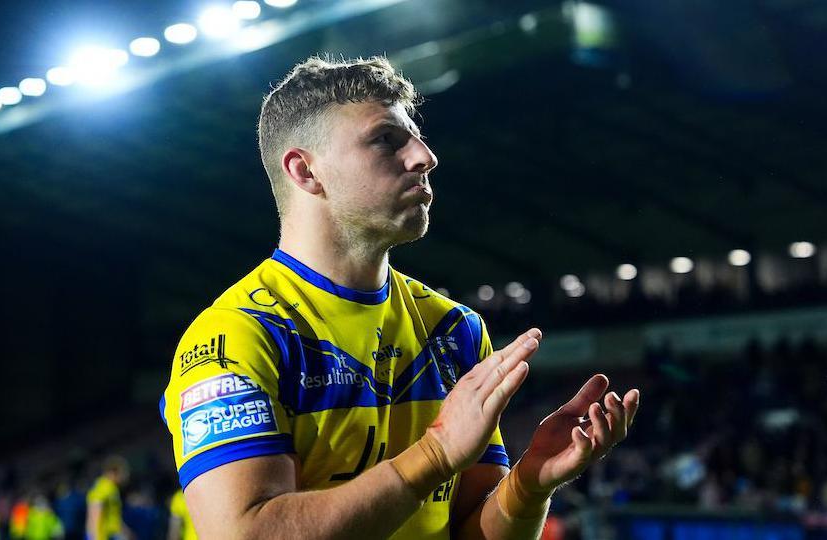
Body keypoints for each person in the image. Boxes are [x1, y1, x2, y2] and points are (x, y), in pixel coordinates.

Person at [159, 56, 640, 539]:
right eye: (386, 139)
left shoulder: (454, 330)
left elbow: (471, 532)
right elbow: (248, 534)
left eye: (415, 136)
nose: (424, 156)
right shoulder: (237, 335)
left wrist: (530, 483)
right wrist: (434, 455)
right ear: (305, 171)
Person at [86, 456, 131, 540]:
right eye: (123, 472)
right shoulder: (103, 487)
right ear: (113, 472)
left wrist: (126, 531)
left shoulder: (112, 488)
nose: (125, 476)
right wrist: (93, 537)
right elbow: (94, 512)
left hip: (113, 534)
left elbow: (113, 517)